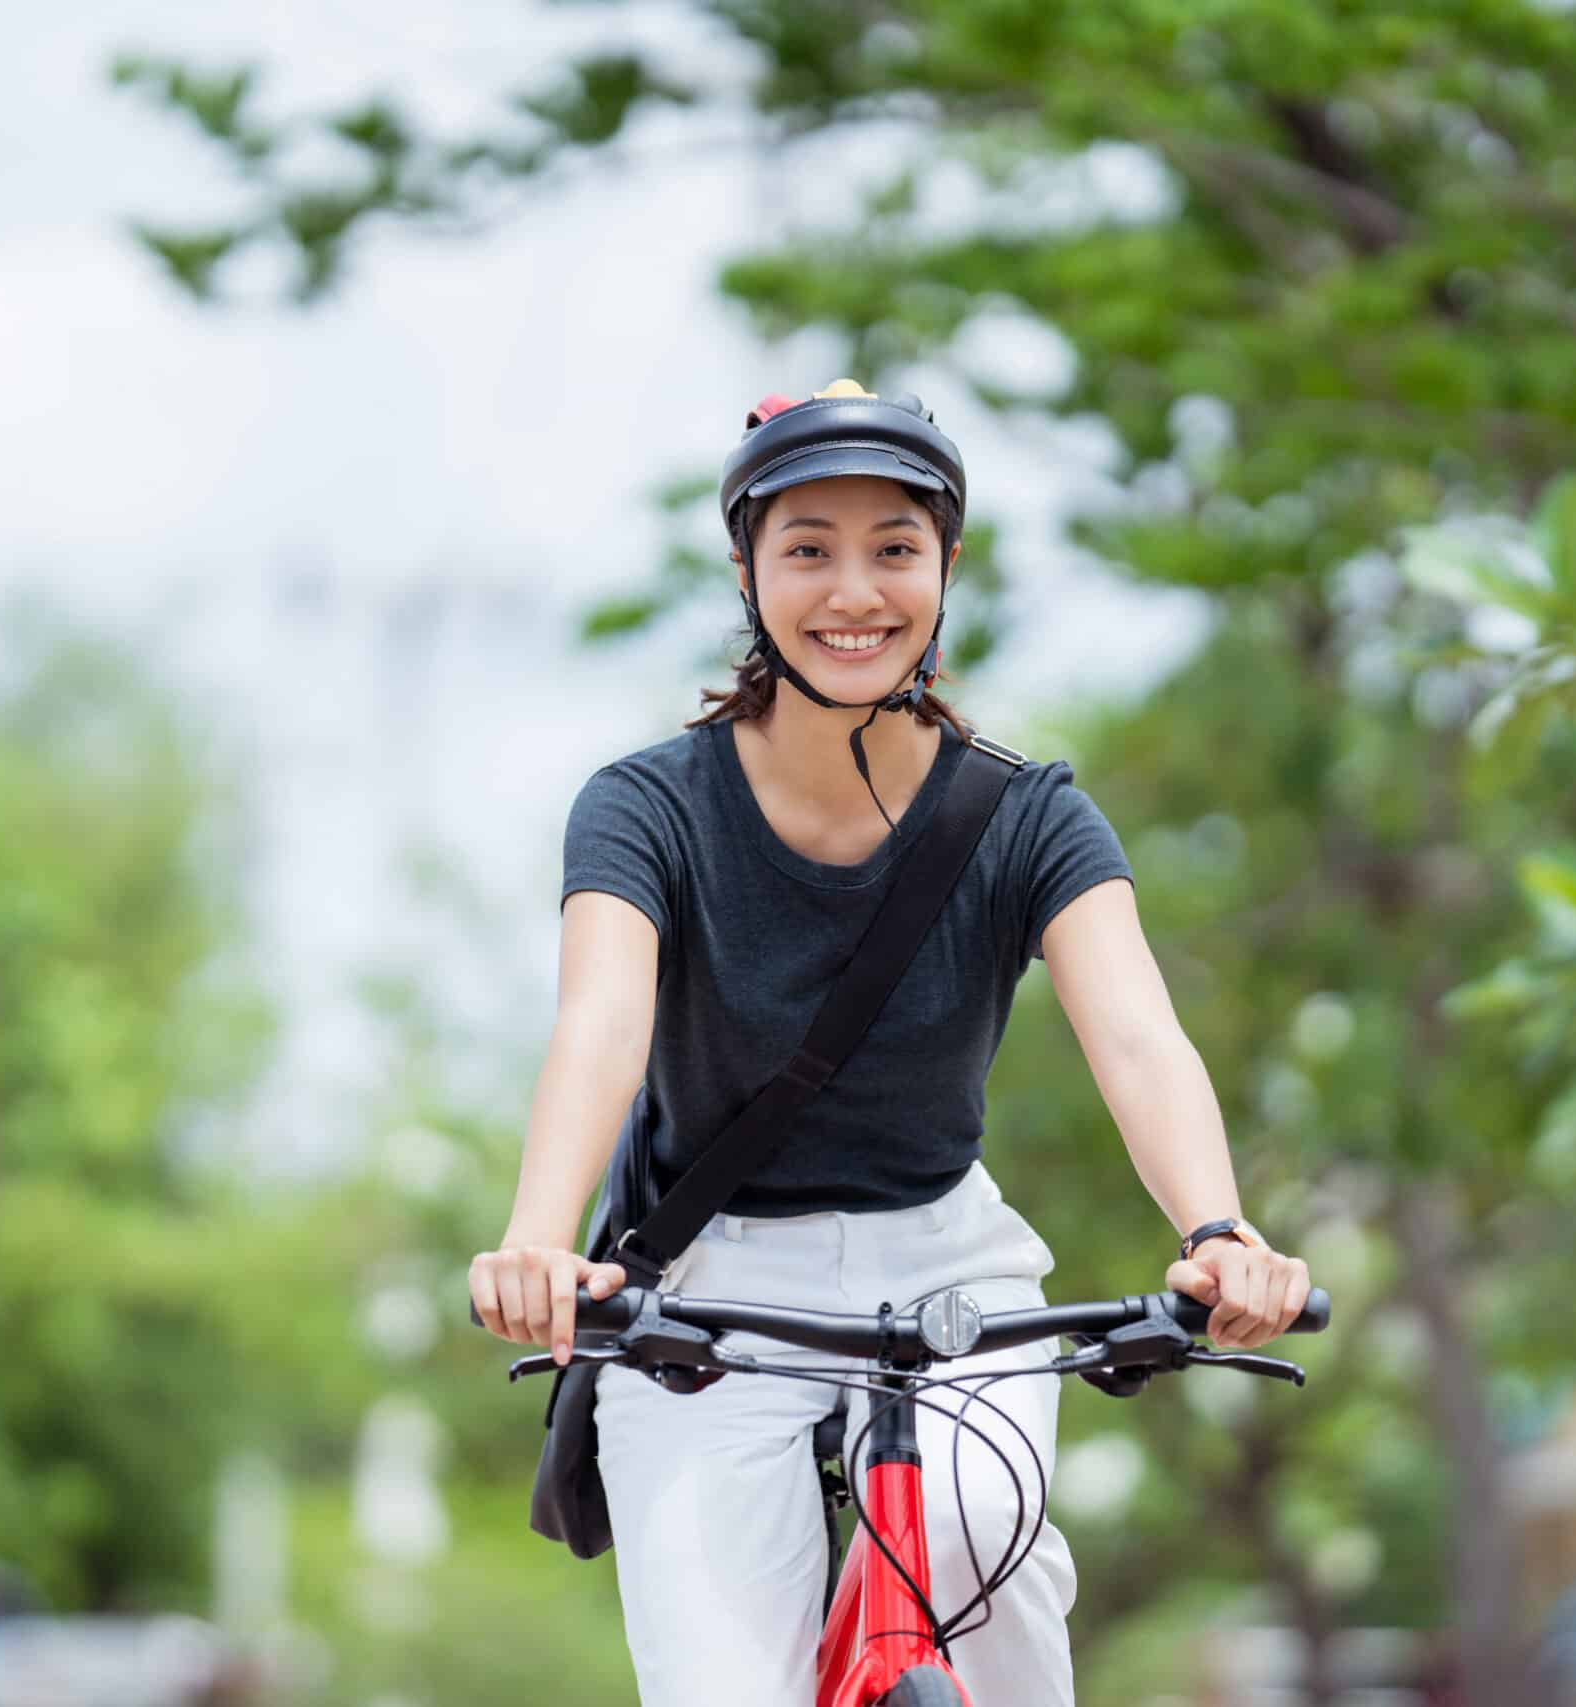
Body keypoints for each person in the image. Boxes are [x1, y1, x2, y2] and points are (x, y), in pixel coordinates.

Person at [467, 380, 1312, 1707]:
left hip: (947, 1270)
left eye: (894, 549)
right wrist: (538, 1236)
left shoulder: (1030, 818)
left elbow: (1140, 1038)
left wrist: (1219, 1232)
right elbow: (602, 1024)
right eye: (808, 547)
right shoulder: (648, 806)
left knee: (993, 1552)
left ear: (946, 567)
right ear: (747, 568)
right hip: (706, 1298)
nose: (853, 590)